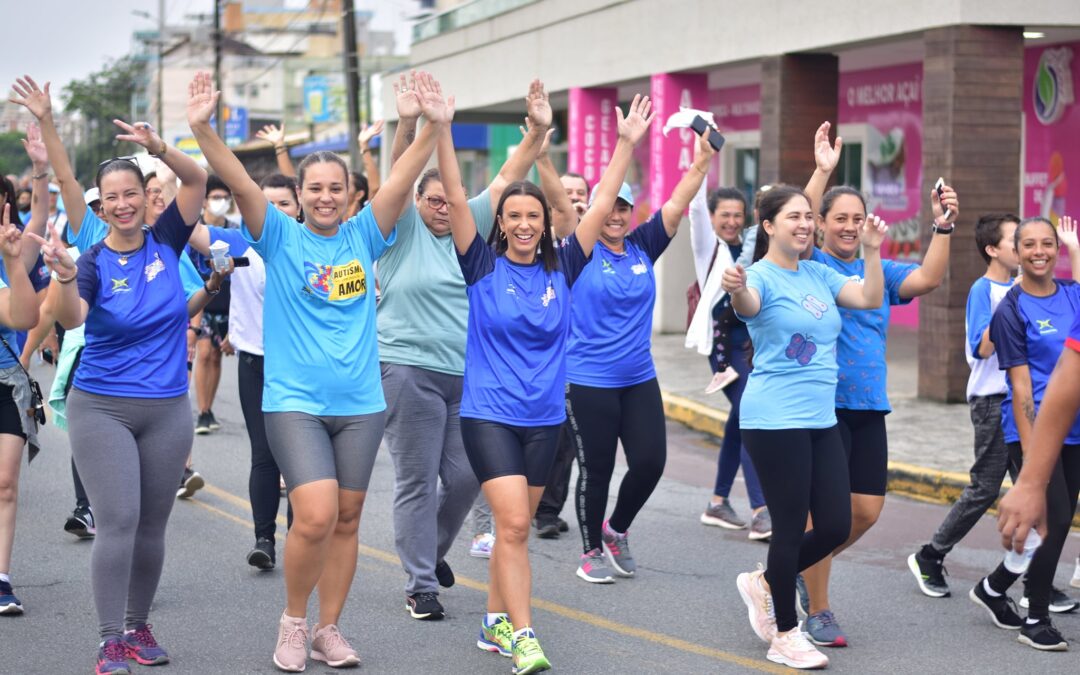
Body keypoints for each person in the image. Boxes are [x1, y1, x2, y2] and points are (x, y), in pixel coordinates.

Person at [189, 69, 448, 672]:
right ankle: (293, 620)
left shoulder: (366, 234)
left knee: (349, 518)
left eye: (337, 188)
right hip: (295, 401)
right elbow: (234, 176)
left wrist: (430, 124)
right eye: (316, 188)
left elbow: (408, 171)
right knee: (315, 514)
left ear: (351, 194)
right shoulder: (278, 236)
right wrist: (202, 127)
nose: (327, 197)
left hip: (360, 403)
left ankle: (329, 628)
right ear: (300, 194)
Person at [447, 91, 654, 674]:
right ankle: (525, 637)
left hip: (543, 420)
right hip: (488, 414)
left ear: (545, 224)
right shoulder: (480, 266)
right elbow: (459, 198)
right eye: (512, 216)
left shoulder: (566, 265)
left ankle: (493, 621)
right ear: (501, 224)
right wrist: (442, 129)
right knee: (513, 525)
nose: (522, 224)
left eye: (532, 216)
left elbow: (600, 204)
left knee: (516, 535)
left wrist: (626, 146)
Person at [12, 74, 211, 674]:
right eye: (111, 197)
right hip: (104, 406)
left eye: (133, 192)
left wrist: (163, 147)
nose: (123, 204)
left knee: (153, 523)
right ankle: (108, 640)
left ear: (145, 195)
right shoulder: (93, 261)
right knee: (119, 520)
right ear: (100, 206)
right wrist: (67, 277)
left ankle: (139, 625)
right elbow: (71, 318)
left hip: (168, 406)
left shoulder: (167, 241)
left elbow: (198, 179)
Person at [377, 77, 552, 621]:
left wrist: (539, 131)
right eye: (429, 201)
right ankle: (421, 584)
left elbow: (507, 178)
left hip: (471, 378)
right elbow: (398, 178)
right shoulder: (401, 229)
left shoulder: (470, 224)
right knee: (416, 479)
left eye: (444, 201)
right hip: (407, 369)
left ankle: (429, 553)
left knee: (463, 478)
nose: (440, 209)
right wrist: (412, 124)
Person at [797, 122, 959, 647]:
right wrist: (822, 172)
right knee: (825, 514)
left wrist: (943, 226)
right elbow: (791, 227)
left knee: (864, 512)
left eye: (855, 218)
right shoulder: (809, 266)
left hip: (869, 404)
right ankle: (818, 607)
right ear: (819, 224)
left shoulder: (880, 269)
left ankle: (795, 566)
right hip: (820, 406)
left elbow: (928, 279)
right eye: (837, 219)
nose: (847, 227)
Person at [725, 184, 888, 670]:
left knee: (836, 522)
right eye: (793, 216)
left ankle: (765, 582)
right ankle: (785, 634)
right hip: (774, 420)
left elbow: (868, 295)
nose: (804, 223)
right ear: (769, 226)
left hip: (820, 417)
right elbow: (748, 304)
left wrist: (874, 251)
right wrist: (736, 290)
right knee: (792, 528)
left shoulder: (819, 272)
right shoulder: (758, 275)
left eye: (808, 216)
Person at [570, 125, 715, 584]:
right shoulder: (579, 250)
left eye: (624, 207)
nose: (615, 215)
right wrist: (625, 145)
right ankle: (590, 548)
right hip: (587, 379)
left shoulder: (642, 245)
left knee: (651, 462)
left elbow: (676, 202)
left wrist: (702, 162)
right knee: (597, 469)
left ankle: (616, 529)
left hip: (638, 377)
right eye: (609, 206)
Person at [969, 216, 1080, 651]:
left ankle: (993, 588)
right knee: (1049, 524)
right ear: (1016, 250)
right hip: (1031, 432)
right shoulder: (1009, 309)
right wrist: (1035, 461)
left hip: (1074, 430)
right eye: (1029, 244)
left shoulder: (1072, 294)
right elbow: (1019, 388)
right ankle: (1034, 618)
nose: (1039, 251)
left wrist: (1075, 246)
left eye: (1048, 244)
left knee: (1057, 523)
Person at [186, 173, 298, 570]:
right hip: (255, 362)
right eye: (265, 202)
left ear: (298, 207)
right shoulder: (236, 241)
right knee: (265, 455)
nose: (274, 211)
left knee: (301, 460)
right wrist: (172, 181)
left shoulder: (307, 243)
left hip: (301, 366)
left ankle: (302, 541)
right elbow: (186, 226)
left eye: (284, 203)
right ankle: (264, 540)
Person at [907, 214, 1021, 597]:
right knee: (985, 489)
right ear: (992, 250)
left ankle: (1037, 577)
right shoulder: (983, 291)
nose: (1025, 247)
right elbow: (981, 348)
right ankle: (930, 554)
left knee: (1036, 491)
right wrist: (1014, 300)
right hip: (993, 402)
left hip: (1025, 404)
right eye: (1015, 240)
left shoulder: (1025, 288)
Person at [688, 183, 769, 537]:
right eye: (725, 215)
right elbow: (693, 209)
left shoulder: (754, 244)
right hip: (725, 350)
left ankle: (718, 502)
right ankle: (761, 508)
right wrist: (702, 157)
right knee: (750, 417)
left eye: (738, 215)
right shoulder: (709, 247)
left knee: (739, 421)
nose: (732, 222)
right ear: (712, 218)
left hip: (753, 347)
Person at [0, 167, 50, 616]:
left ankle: (1, 580)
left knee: (5, 483)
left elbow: (24, 318)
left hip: (5, 384)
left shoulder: (11, 254)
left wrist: (41, 172)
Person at [531, 149, 586, 539]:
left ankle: (548, 509)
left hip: (584, 360)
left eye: (580, 193)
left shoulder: (598, 240)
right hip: (543, 359)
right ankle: (534, 508)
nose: (573, 199)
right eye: (565, 193)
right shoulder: (539, 243)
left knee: (566, 443)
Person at [190, 174, 237, 435]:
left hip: (227, 302)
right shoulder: (196, 230)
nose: (220, 202)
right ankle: (202, 410)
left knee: (217, 356)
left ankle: (209, 410)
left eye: (224, 197)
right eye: (215, 197)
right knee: (205, 353)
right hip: (203, 300)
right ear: (205, 201)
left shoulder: (234, 229)